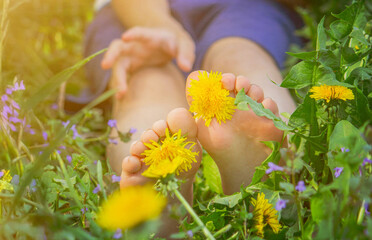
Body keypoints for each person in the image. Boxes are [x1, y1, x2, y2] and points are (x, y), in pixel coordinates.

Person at [72, 0, 302, 236]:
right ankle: (156, 194)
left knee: (240, 58)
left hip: (242, 5)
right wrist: (158, 24)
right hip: (132, 12)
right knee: (148, 79)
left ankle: (268, 162)